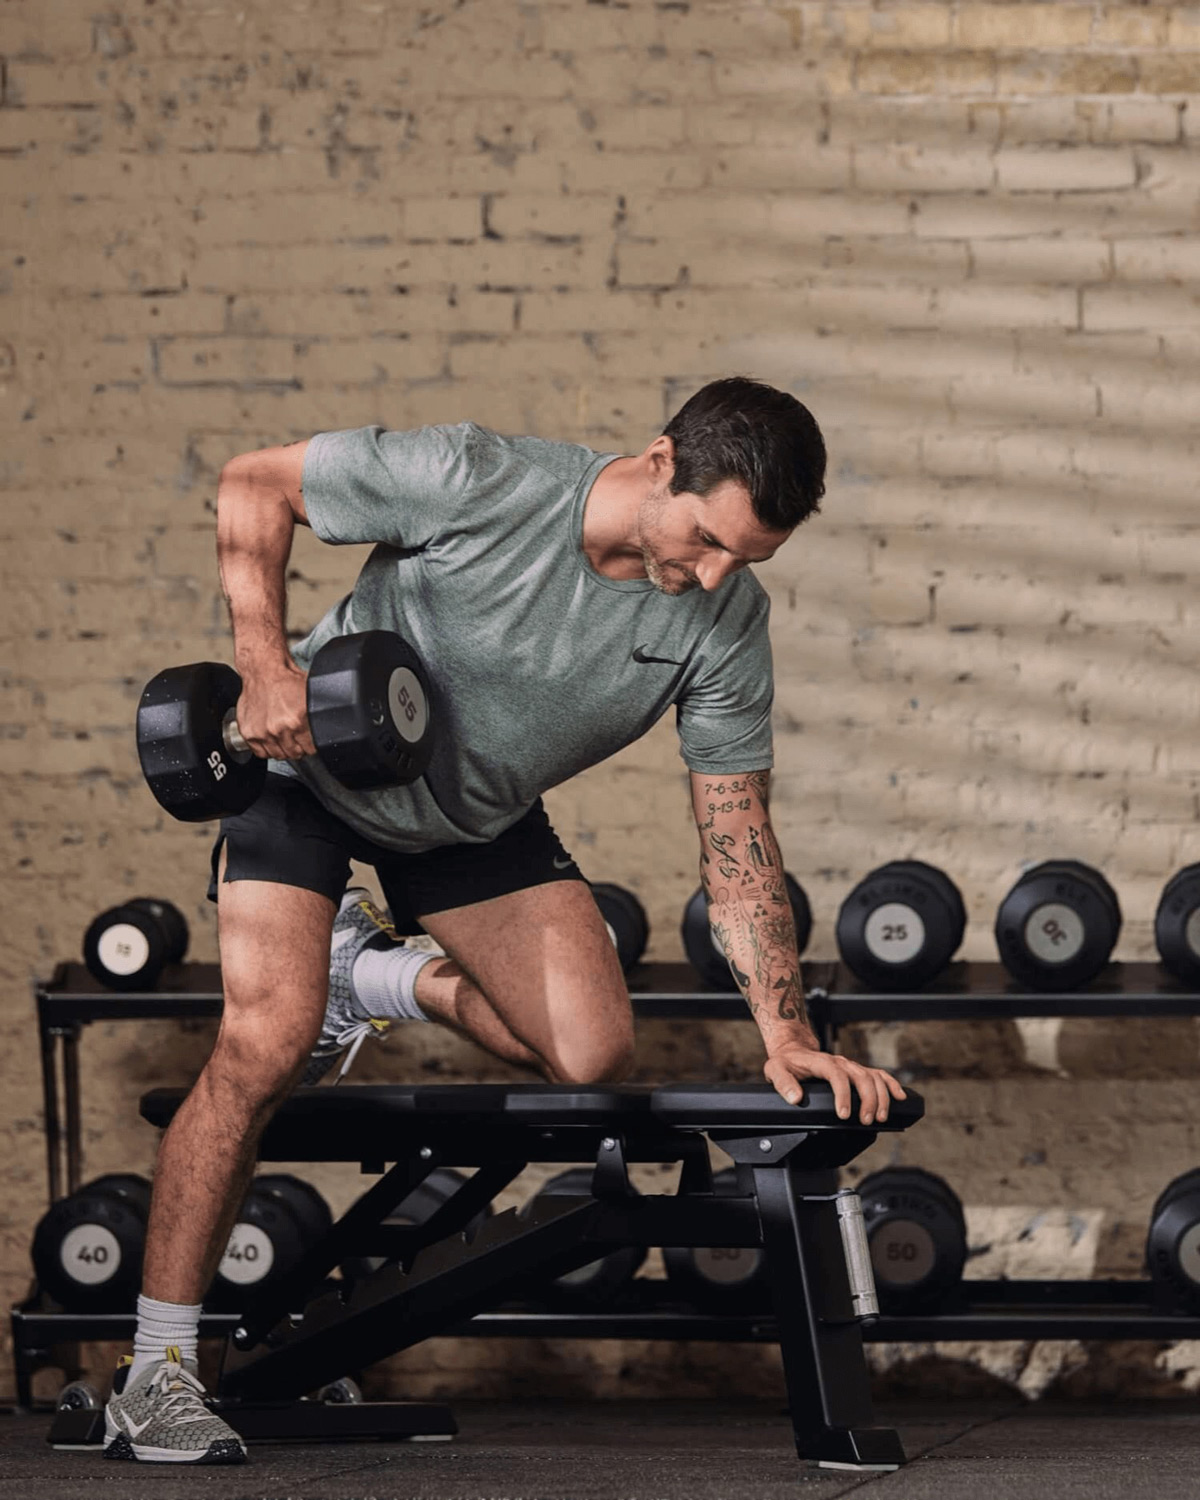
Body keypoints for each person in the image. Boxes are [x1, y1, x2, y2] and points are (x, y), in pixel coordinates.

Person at [103, 376, 905, 1464]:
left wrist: (788, 1034)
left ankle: (373, 976)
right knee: (266, 1041)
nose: (716, 574)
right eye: (709, 540)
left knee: (591, 1053)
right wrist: (263, 662)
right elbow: (255, 484)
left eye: (747, 559)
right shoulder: (480, 480)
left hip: (472, 819)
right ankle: (156, 1371)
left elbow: (737, 835)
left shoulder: (727, 623)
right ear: (662, 462)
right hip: (314, 773)